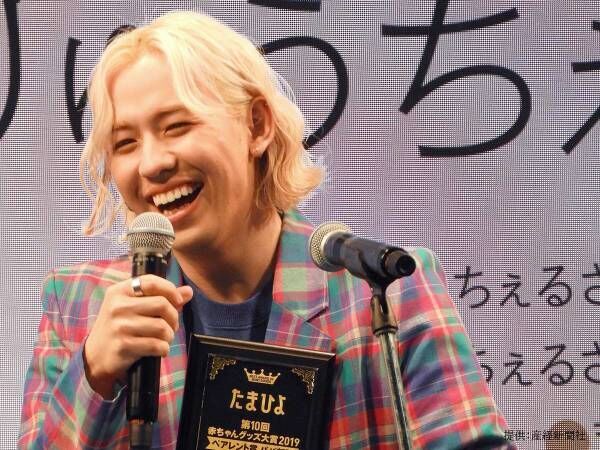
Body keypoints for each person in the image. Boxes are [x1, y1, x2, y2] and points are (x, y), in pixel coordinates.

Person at [20, 11, 513, 450]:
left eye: (176, 126)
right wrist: (94, 373)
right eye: (125, 143)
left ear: (256, 126)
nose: (152, 164)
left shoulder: (384, 288)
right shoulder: (78, 302)